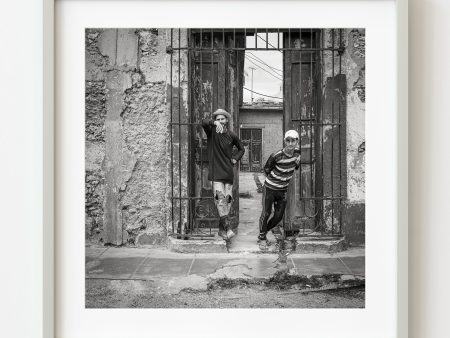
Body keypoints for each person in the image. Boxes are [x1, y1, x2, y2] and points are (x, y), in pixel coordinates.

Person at [202, 108, 245, 240]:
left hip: (228, 172)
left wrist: (234, 159)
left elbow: (241, 149)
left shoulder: (232, 135)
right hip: (216, 173)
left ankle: (221, 230)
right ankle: (228, 228)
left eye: (222, 118)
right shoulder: (211, 133)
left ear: (227, 120)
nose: (220, 121)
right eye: (217, 119)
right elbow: (203, 122)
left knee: (228, 201)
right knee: (220, 201)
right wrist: (213, 123)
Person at [258, 130, 301, 243]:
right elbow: (266, 170)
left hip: (282, 190)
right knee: (266, 213)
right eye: (288, 141)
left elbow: (295, 166)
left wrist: (297, 164)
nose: (290, 144)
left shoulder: (298, 153)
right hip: (270, 188)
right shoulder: (276, 156)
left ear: (297, 142)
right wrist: (273, 180)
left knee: (278, 217)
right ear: (284, 142)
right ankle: (262, 236)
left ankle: (264, 230)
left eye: (293, 141)